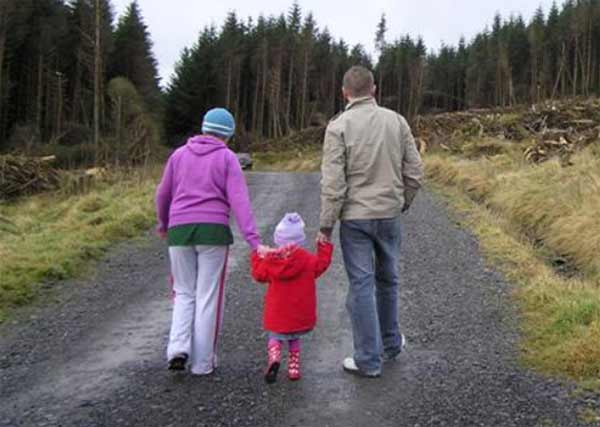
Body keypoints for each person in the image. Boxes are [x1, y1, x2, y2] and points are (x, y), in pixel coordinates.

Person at [318, 66, 425, 378]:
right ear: (374, 89)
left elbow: (333, 184)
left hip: (355, 220)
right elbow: (415, 171)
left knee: (362, 285)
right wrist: (402, 201)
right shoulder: (397, 121)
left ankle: (367, 359)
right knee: (388, 279)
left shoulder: (338, 127)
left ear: (344, 93)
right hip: (389, 214)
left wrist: (326, 226)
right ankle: (390, 344)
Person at [156, 107, 268, 375]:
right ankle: (203, 363)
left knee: (183, 292)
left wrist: (163, 224)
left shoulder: (179, 155)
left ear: (204, 129)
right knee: (208, 296)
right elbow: (240, 202)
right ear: (227, 135)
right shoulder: (227, 158)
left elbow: (163, 194)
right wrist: (254, 241)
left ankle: (178, 348)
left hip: (179, 230)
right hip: (213, 232)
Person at [251, 213, 333, 383]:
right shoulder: (308, 260)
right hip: (298, 311)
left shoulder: (271, 261)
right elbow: (321, 265)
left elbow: (258, 275)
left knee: (275, 336)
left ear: (278, 240)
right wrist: (323, 246)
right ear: (300, 240)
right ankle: (293, 368)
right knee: (294, 338)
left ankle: (274, 358)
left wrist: (257, 256)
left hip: (277, 311)